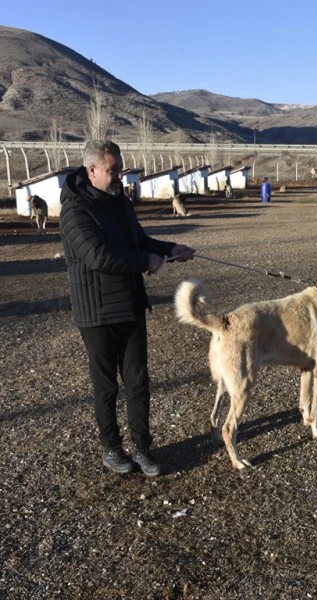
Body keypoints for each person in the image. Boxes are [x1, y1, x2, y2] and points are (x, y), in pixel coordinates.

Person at [60, 140, 195, 477]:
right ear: (92, 171)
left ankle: (142, 447)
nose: (119, 175)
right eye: (113, 170)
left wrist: (169, 248)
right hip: (97, 312)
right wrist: (145, 261)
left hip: (130, 304)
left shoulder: (120, 201)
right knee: (106, 387)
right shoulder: (75, 210)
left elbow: (139, 241)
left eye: (120, 168)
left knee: (138, 382)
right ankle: (112, 448)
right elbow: (98, 256)